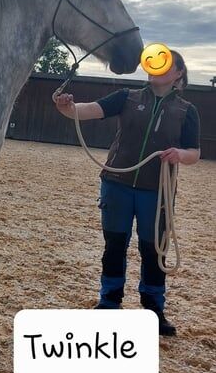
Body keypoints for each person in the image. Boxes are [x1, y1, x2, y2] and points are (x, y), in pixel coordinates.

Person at [53, 50, 201, 336]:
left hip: (156, 190)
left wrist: (179, 154)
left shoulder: (186, 111)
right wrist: (66, 106)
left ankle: (153, 309)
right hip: (116, 183)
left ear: (179, 73)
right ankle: (109, 302)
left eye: (165, 63)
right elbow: (87, 110)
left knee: (153, 250)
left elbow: (194, 153)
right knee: (115, 245)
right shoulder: (126, 97)